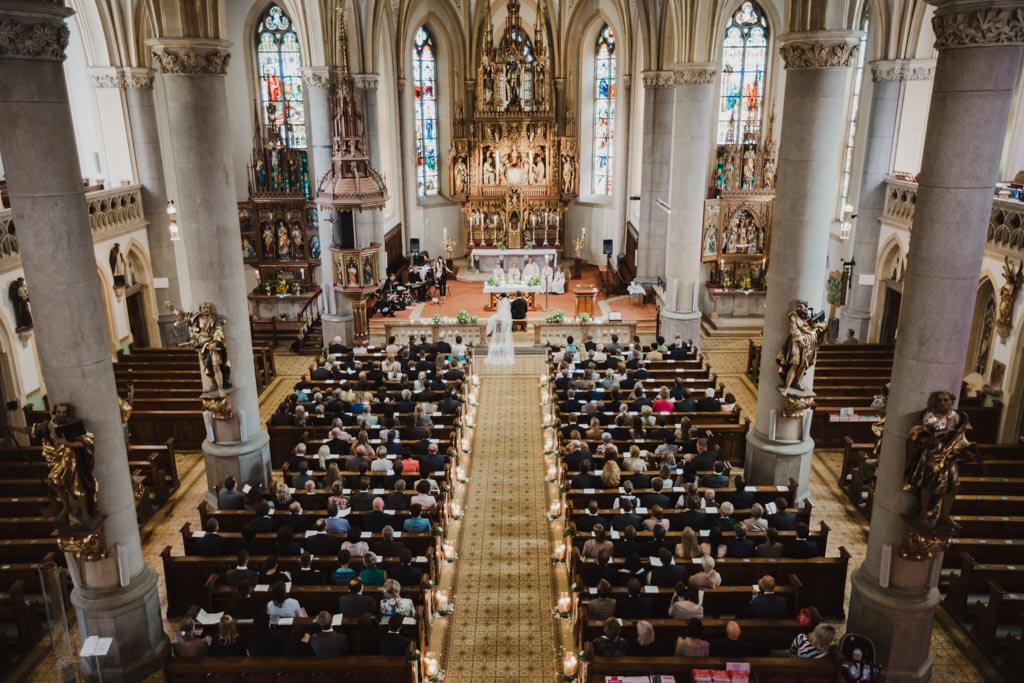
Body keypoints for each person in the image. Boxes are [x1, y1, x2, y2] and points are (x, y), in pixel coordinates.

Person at [485, 294, 515, 365]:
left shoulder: (499, 302)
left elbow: (497, 310)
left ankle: (498, 342)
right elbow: (509, 312)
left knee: (497, 330)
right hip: (506, 321)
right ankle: (503, 342)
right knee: (505, 332)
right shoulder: (508, 302)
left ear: (501, 297)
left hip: (499, 320)